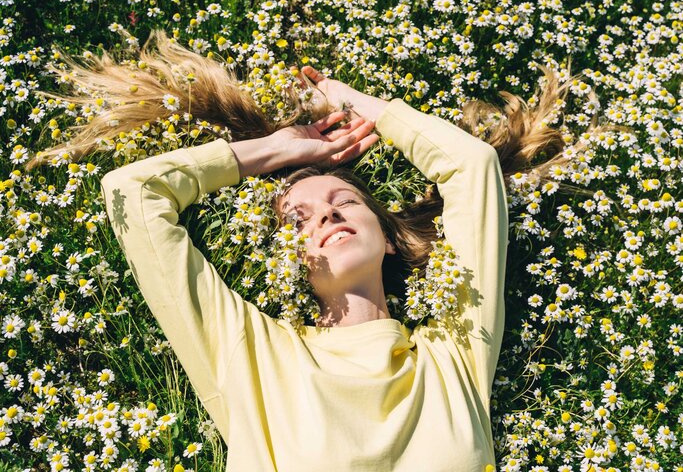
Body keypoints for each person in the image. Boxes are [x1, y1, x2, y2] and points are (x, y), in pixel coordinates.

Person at [27, 31, 577, 471]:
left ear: (387, 237)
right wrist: (273, 150)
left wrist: (355, 103)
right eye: (299, 218)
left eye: (346, 202)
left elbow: (472, 167)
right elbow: (133, 193)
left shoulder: (454, 352)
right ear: (286, 260)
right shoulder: (251, 352)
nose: (327, 215)